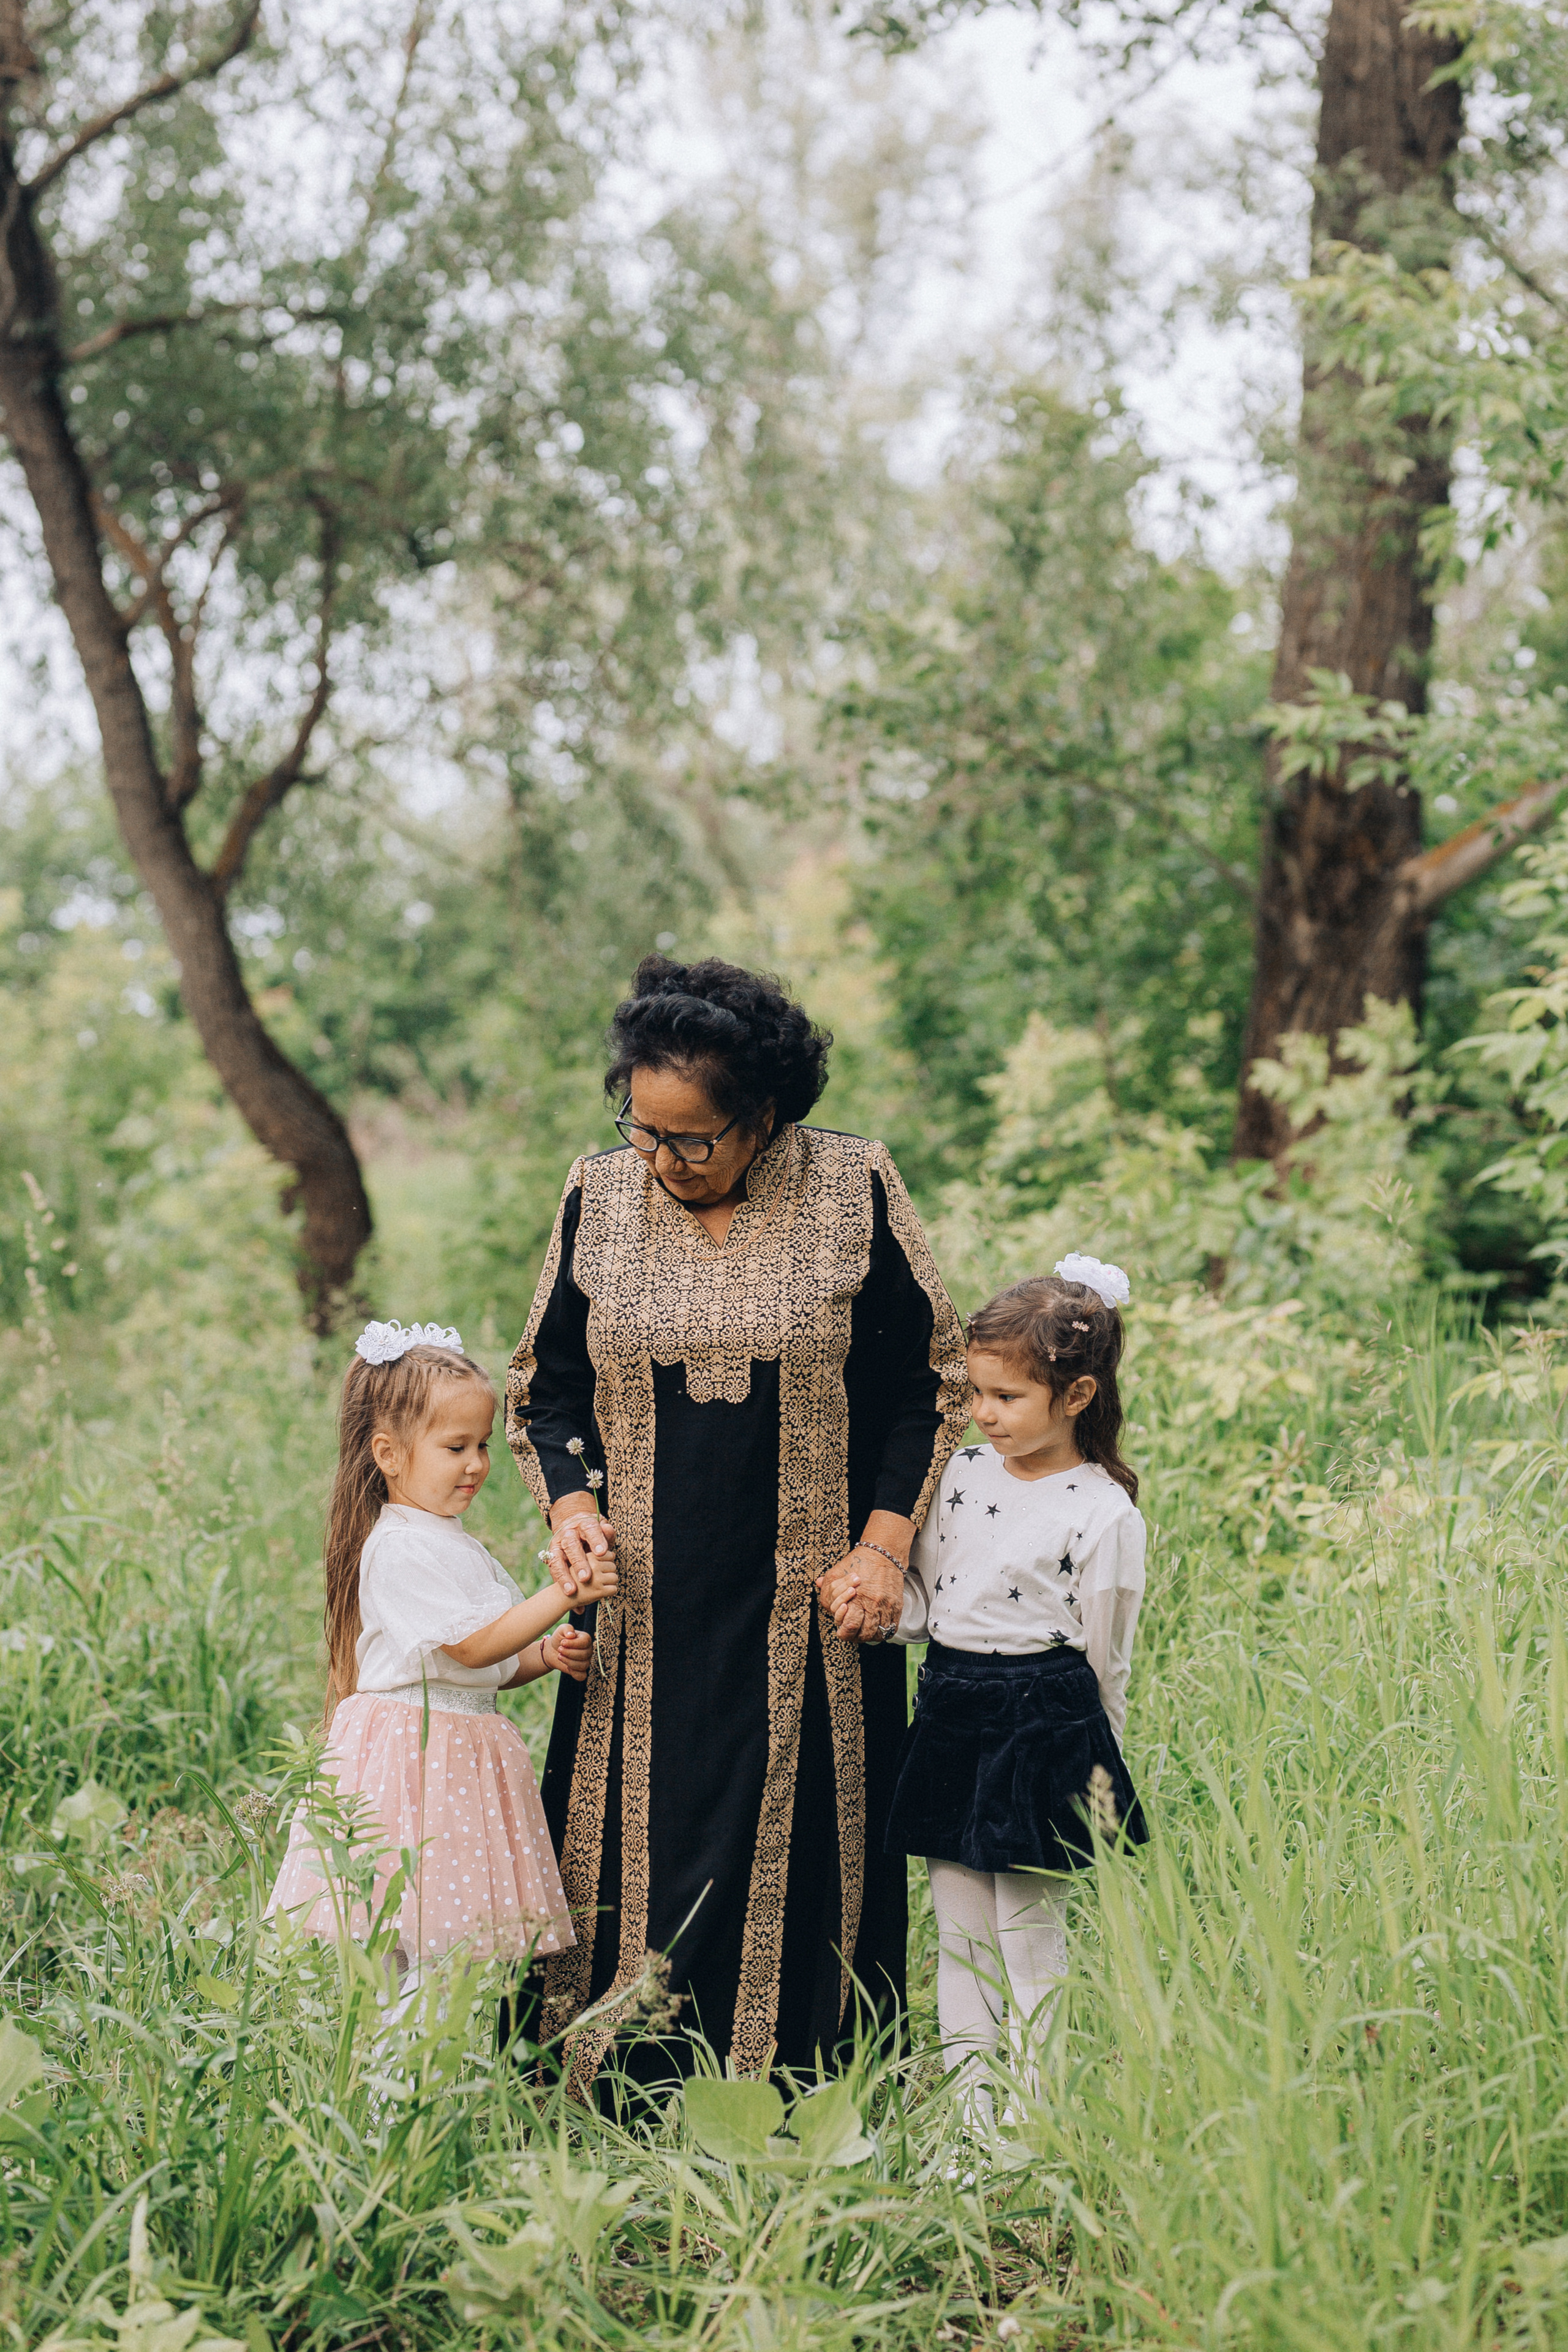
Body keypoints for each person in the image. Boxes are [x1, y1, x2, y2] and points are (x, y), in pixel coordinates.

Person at [506, 955, 969, 2087]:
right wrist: (570, 1507)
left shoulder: (854, 1187)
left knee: (805, 1841)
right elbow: (545, 1384)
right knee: (628, 1832)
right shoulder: (596, 1194)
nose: (660, 1161)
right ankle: (603, 2080)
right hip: (640, 1607)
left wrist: (881, 1547)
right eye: (641, 1131)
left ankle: (798, 2088)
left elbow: (934, 1382)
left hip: (815, 1606)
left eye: (692, 1140)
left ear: (764, 1119)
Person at [837, 1257, 1147, 2127]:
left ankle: (1031, 2124)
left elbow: (1105, 1659)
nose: (983, 1413)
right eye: (977, 1392)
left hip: (1044, 1729)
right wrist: (876, 1612)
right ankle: (972, 2125)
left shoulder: (1102, 1512)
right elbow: (935, 1599)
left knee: (1030, 1938)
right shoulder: (965, 1474)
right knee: (960, 1940)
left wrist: (1097, 1771)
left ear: (1078, 1395)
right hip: (950, 1714)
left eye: (1006, 1397)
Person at [266, 1322, 618, 1987]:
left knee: (446, 1954)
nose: (476, 1465)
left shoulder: (457, 1543)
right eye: (455, 1447)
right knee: (416, 1947)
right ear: (389, 1455)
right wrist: (566, 1592)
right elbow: (470, 1643)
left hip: (456, 1755)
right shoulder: (397, 1546)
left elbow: (491, 1662)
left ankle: (421, 2077)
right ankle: (398, 2083)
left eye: (483, 1445)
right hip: (413, 1760)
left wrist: (544, 1654)